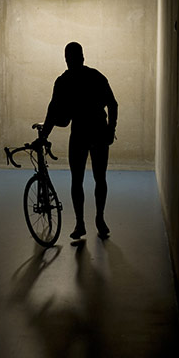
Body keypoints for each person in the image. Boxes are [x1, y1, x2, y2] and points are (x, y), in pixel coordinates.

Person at [40, 42, 118, 239]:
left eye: (71, 58)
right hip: (94, 132)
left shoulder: (65, 81)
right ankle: (92, 220)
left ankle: (85, 222)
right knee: (95, 179)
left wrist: (44, 136)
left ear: (76, 58)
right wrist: (110, 129)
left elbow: (53, 112)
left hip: (85, 134)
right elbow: (112, 104)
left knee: (83, 180)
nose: (71, 61)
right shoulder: (93, 77)